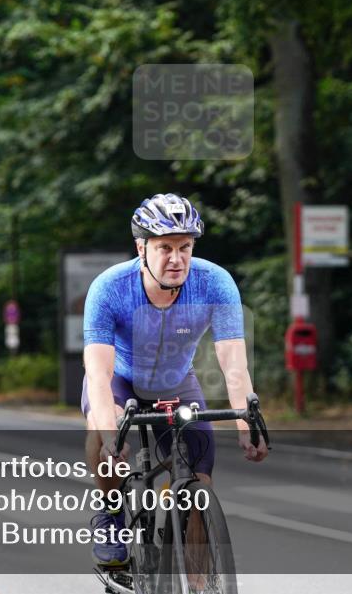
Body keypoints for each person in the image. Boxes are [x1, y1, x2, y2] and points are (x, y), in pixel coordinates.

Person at [81, 192, 269, 569]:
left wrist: (245, 424)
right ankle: (110, 512)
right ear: (141, 248)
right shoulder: (109, 288)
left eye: (185, 246)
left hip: (176, 382)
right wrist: (108, 437)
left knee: (199, 480)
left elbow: (233, 361)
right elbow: (98, 374)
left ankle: (199, 578)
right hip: (120, 379)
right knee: (102, 433)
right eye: (165, 247)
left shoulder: (215, 283)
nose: (176, 258)